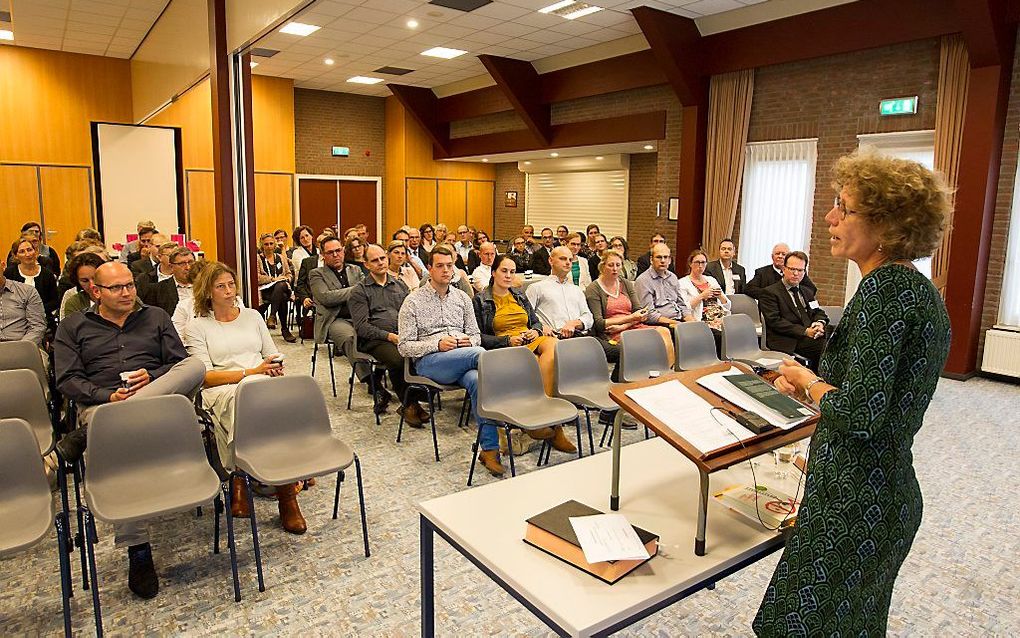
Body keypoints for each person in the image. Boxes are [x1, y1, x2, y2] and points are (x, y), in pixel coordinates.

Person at [753, 151, 952, 637]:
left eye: (844, 207)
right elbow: (874, 399)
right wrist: (814, 394)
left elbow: (860, 414)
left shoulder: (885, 292)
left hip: (856, 503)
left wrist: (807, 382)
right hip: (874, 493)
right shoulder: (911, 288)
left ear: (886, 224)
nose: (830, 217)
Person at [53, 261, 205, 600]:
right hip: (101, 406)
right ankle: (138, 551)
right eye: (117, 288)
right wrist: (108, 395)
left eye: (130, 285)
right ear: (96, 292)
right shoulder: (73, 327)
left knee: (196, 365)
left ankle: (88, 434)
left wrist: (150, 377)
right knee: (119, 451)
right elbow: (67, 380)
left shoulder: (155, 317)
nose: (127, 292)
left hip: (155, 405)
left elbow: (178, 363)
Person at [185, 262, 306, 533]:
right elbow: (205, 377)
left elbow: (271, 353)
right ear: (207, 292)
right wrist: (252, 371)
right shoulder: (197, 327)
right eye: (220, 286)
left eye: (231, 284)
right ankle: (284, 491)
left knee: (275, 402)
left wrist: (274, 365)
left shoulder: (252, 316)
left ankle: (250, 483)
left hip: (261, 381)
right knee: (251, 404)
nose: (229, 291)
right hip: (222, 388)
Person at [398, 245, 524, 478]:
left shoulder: (463, 298)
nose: (446, 271)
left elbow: (475, 335)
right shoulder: (413, 301)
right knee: (482, 356)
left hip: (463, 358)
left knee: (478, 380)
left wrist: (468, 341)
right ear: (429, 268)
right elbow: (404, 346)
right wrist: (438, 344)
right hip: (430, 362)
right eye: (440, 266)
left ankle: (489, 450)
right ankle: (520, 408)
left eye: (450, 265)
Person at [349, 244, 430, 425]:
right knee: (399, 358)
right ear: (366, 264)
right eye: (374, 260)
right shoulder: (359, 291)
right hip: (374, 339)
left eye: (382, 258)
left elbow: (409, 313)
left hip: (400, 334)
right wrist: (390, 337)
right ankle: (409, 404)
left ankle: (415, 400)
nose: (380, 263)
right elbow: (362, 327)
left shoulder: (399, 285)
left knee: (426, 351)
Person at [585, 250, 674, 374]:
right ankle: (646, 374)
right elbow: (599, 323)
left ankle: (667, 373)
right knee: (647, 342)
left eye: (618, 265)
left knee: (664, 331)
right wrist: (630, 319)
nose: (615, 269)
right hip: (612, 332)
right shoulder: (593, 288)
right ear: (602, 266)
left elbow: (640, 312)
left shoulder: (625, 283)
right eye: (611, 265)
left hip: (630, 325)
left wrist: (625, 324)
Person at [756, 250, 829, 370]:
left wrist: (819, 323)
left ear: (804, 272)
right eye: (792, 269)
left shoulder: (807, 291)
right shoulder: (770, 292)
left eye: (800, 270)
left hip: (809, 336)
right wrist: (805, 331)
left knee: (834, 339)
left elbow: (818, 312)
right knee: (825, 347)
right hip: (787, 339)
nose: (796, 273)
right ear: (784, 269)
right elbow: (775, 322)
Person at [310, 236, 367, 377]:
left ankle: (380, 372)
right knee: (350, 339)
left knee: (384, 333)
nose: (336, 255)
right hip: (335, 319)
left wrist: (354, 291)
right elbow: (327, 298)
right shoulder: (316, 274)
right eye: (330, 252)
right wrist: (356, 290)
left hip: (361, 316)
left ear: (343, 251)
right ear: (323, 255)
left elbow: (367, 293)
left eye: (338, 250)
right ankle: (371, 381)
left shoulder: (355, 269)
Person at [526, 246, 594, 339]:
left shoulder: (576, 290)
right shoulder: (536, 288)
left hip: (581, 336)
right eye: (563, 259)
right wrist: (540, 327)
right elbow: (526, 316)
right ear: (550, 260)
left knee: (613, 350)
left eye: (570, 260)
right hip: (554, 338)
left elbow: (588, 317)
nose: (567, 263)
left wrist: (574, 323)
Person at [678, 249, 731, 351]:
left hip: (719, 318)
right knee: (720, 336)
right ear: (690, 264)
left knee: (736, 331)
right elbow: (684, 309)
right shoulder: (683, 283)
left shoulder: (711, 280)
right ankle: (722, 362)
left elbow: (728, 306)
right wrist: (702, 296)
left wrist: (720, 296)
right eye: (697, 262)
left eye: (703, 262)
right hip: (702, 320)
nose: (700, 266)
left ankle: (736, 361)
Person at [635, 242, 692, 327]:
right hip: (660, 325)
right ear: (651, 260)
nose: (663, 260)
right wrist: (677, 324)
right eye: (659, 257)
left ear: (669, 260)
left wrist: (692, 322)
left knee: (707, 333)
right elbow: (648, 315)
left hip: (678, 321)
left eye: (666, 257)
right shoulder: (643, 281)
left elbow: (681, 305)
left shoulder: (673, 277)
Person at [5, 237, 59, 326]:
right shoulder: (9, 273)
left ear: (36, 251)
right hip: (14, 321)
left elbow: (55, 301)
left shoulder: (47, 274)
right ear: (15, 256)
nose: (27, 254)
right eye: (22, 251)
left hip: (43, 319)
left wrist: (36, 310)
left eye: (29, 250)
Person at [256, 233, 296, 342]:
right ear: (262, 246)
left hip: (283, 287)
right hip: (266, 290)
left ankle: (272, 316)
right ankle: (284, 329)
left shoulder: (281, 258)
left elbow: (289, 274)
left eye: (271, 244)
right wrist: (273, 279)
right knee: (282, 296)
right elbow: (257, 277)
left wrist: (285, 278)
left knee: (281, 286)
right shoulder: (258, 259)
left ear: (275, 245)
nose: (269, 246)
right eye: (266, 244)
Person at [744, 242, 817, 300]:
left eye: (783, 254)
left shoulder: (798, 272)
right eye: (777, 254)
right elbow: (748, 289)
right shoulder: (762, 272)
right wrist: (770, 295)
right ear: (772, 257)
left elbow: (812, 289)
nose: (780, 256)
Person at [0, 266, 46, 347]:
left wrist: (21, 348)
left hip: (23, 345)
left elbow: (37, 327)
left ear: (2, 266)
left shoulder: (28, 291)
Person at [147, 246, 195, 318]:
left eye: (190, 262)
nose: (188, 267)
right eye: (182, 263)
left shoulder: (206, 287)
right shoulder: (157, 290)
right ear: (171, 267)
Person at [60, 252, 105, 319]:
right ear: (77, 281)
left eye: (95, 278)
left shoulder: (118, 297)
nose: (92, 285)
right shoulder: (74, 302)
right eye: (85, 281)